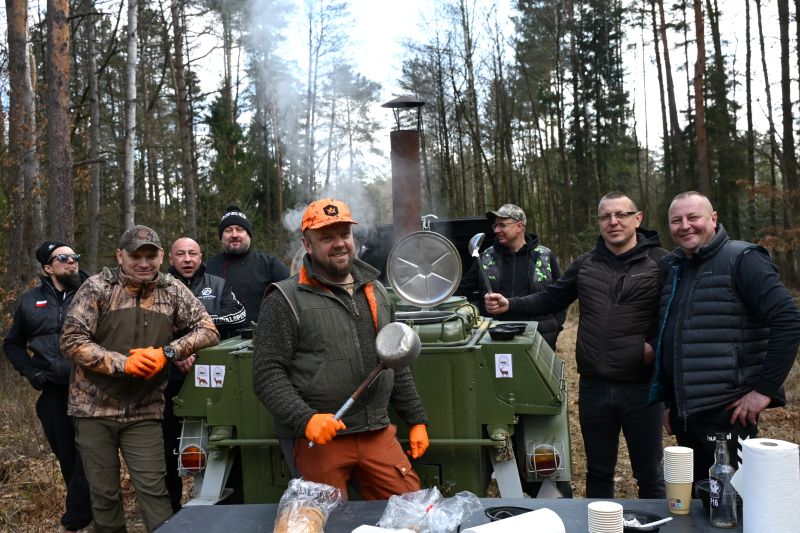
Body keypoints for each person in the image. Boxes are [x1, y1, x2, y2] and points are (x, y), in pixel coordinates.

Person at [485, 192, 667, 498]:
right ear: (599, 223)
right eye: (606, 216)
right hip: (594, 386)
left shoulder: (661, 263)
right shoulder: (585, 264)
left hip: (642, 387)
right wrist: (509, 304)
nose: (613, 222)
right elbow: (551, 297)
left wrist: (652, 347)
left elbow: (675, 315)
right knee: (598, 472)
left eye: (621, 215)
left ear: (637, 219)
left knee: (649, 475)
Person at [253, 198, 430, 500]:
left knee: (410, 513)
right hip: (320, 439)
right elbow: (267, 374)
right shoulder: (284, 299)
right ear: (307, 245)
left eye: (344, 234)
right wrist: (305, 419)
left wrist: (416, 420)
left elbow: (394, 361)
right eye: (327, 237)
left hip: (375, 431)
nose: (339, 244)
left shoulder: (377, 292)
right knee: (324, 522)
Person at [60, 225, 220, 532]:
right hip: (94, 408)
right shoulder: (97, 288)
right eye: (136, 256)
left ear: (161, 256)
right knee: (104, 495)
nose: (143, 263)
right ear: (120, 256)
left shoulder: (171, 290)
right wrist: (123, 364)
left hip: (144, 408)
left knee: (154, 490)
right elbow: (71, 340)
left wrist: (168, 353)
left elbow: (208, 329)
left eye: (150, 255)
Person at [649, 191, 800, 483]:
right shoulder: (673, 268)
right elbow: (673, 337)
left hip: (727, 411)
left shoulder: (743, 258)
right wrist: (669, 402)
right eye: (676, 220)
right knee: (698, 500)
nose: (685, 226)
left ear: (713, 219)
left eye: (693, 217)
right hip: (686, 414)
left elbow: (788, 319)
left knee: (730, 504)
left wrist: (764, 390)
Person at [2, 241, 93, 532]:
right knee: (67, 456)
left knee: (90, 454)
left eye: (74, 257)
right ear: (47, 267)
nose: (71, 262)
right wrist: (30, 371)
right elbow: (12, 344)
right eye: (63, 258)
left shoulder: (94, 292)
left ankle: (76, 519)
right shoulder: (30, 301)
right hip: (53, 391)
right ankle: (87, 515)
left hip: (92, 388)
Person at [163, 236, 246, 511]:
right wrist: (175, 349)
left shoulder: (218, 284)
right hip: (170, 382)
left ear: (201, 257)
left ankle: (231, 505)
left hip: (215, 379)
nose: (187, 259)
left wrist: (197, 326)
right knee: (168, 446)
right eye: (181, 254)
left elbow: (239, 315)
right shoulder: (159, 286)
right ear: (171, 259)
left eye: (193, 253)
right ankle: (171, 511)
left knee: (224, 441)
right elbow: (146, 327)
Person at [458, 203, 565, 350]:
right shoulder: (485, 257)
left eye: (502, 225)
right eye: (495, 226)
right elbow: (462, 292)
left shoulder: (544, 256)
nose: (496, 230)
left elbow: (561, 295)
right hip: (495, 337)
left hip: (541, 337)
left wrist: (556, 325)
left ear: (519, 226)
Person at [206, 205, 290, 324]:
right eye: (228, 230)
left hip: (263, 338)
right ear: (221, 237)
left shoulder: (270, 264)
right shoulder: (208, 268)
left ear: (249, 235)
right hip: (221, 340)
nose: (234, 235)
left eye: (240, 229)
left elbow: (292, 297)